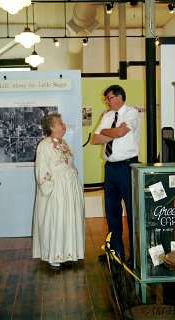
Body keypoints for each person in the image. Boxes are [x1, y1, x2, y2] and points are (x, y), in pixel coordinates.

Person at [92, 85, 141, 266]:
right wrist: (109, 132)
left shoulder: (132, 113)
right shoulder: (106, 116)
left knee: (132, 211)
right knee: (112, 211)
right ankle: (115, 252)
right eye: (106, 99)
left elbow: (121, 132)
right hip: (110, 168)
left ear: (120, 97)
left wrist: (106, 132)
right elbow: (95, 139)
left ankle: (135, 256)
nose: (107, 101)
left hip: (128, 166)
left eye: (109, 98)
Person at [32, 113, 85, 269]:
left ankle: (69, 252)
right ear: (52, 127)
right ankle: (55, 256)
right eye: (60, 123)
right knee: (57, 220)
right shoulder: (44, 145)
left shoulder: (66, 143)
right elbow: (42, 168)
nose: (64, 125)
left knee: (69, 218)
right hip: (56, 188)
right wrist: (49, 189)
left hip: (70, 187)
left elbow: (69, 164)